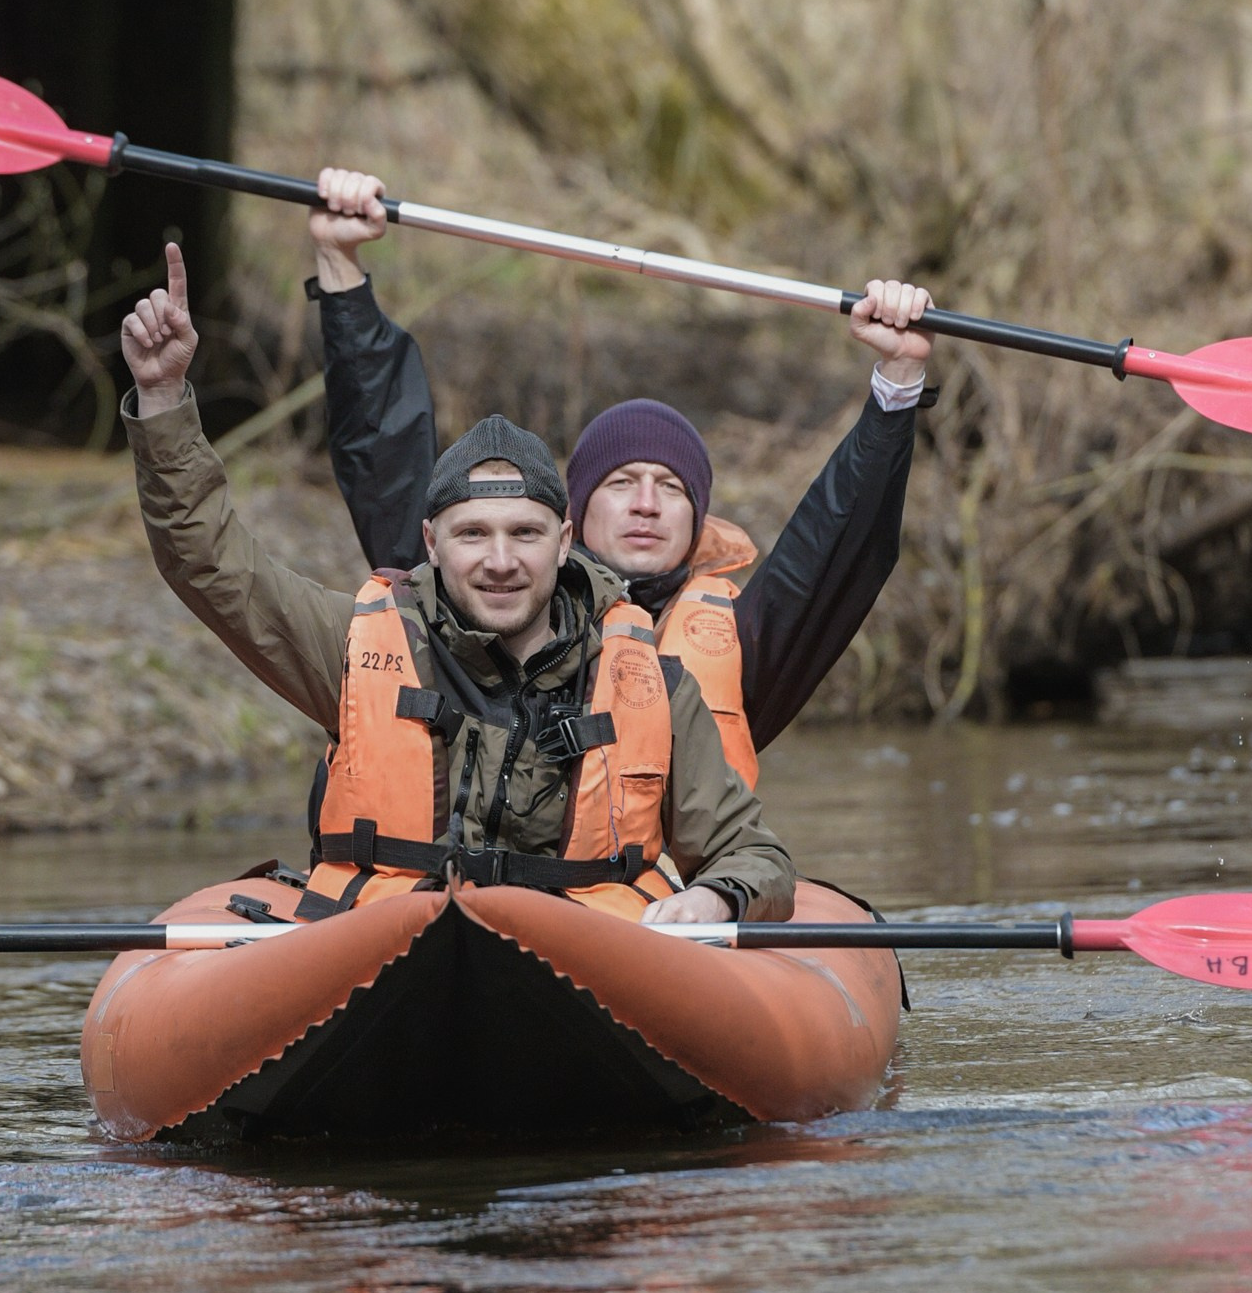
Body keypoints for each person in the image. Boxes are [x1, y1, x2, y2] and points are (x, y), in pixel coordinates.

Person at [119, 241, 796, 929]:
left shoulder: (655, 682)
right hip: (386, 948)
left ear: (564, 542)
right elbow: (204, 558)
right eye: (473, 534)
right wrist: (163, 397)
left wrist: (712, 896)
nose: (500, 561)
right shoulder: (351, 645)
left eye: (525, 534)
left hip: (584, 962)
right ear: (433, 545)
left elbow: (752, 853)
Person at [302, 168, 936, 783]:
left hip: (658, 889)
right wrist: (341, 269)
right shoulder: (492, 588)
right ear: (571, 522)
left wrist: (898, 384)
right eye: (621, 482)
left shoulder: (742, 642)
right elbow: (388, 464)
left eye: (671, 489)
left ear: (698, 521)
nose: (647, 505)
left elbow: (833, 550)